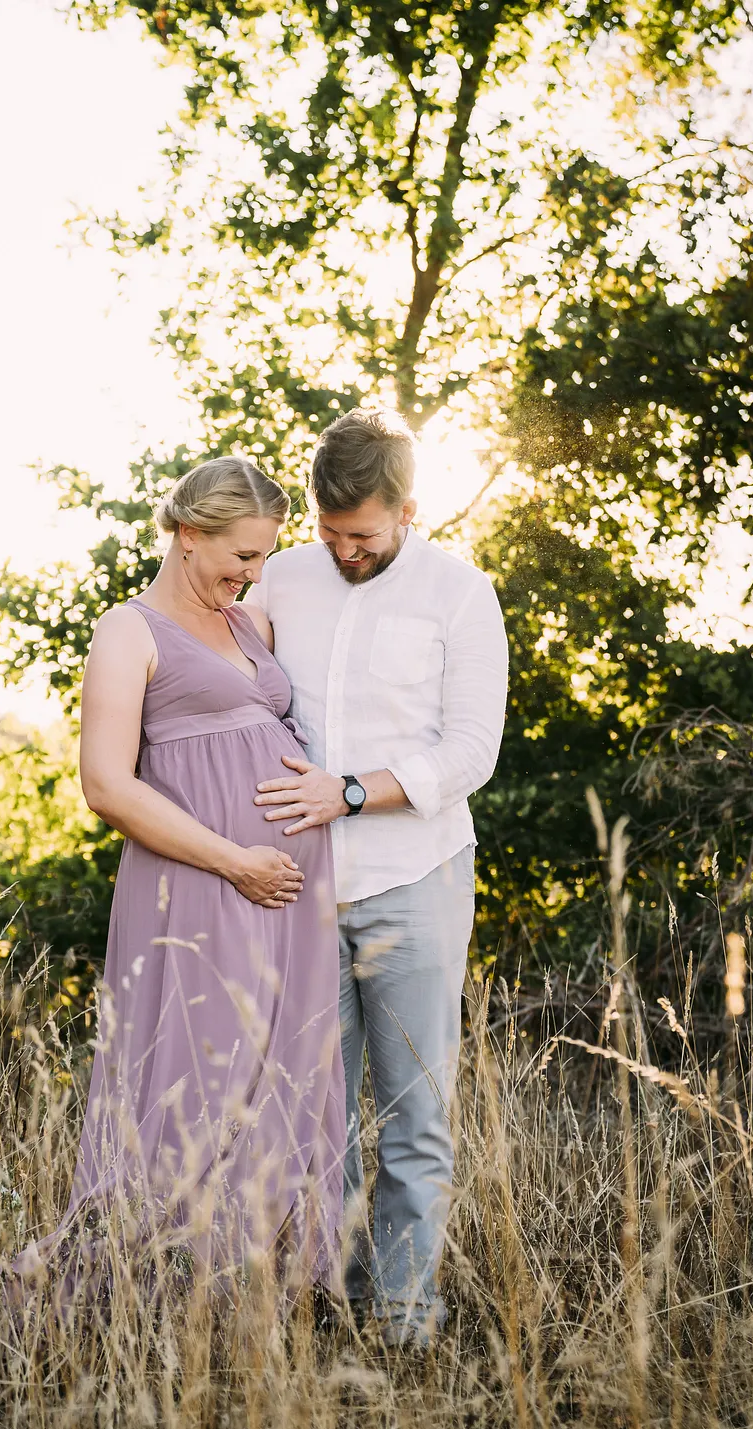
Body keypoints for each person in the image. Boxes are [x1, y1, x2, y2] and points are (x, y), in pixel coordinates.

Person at [0, 457, 345, 1331]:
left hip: (288, 895)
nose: (252, 574)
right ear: (188, 533)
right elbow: (106, 785)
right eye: (241, 554)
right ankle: (116, 1306)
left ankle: (253, 1304)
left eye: (262, 558)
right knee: (197, 1086)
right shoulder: (128, 632)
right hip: (202, 885)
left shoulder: (248, 622)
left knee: (279, 1079)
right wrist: (234, 860)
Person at [244, 408, 509, 1349]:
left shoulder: (460, 593)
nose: (344, 549)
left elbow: (473, 750)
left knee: (413, 1117)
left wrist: (348, 793)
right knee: (315, 1123)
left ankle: (401, 1320)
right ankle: (323, 1304)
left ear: (408, 511)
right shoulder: (282, 577)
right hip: (300, 890)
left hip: (416, 880)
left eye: (362, 533)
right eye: (330, 530)